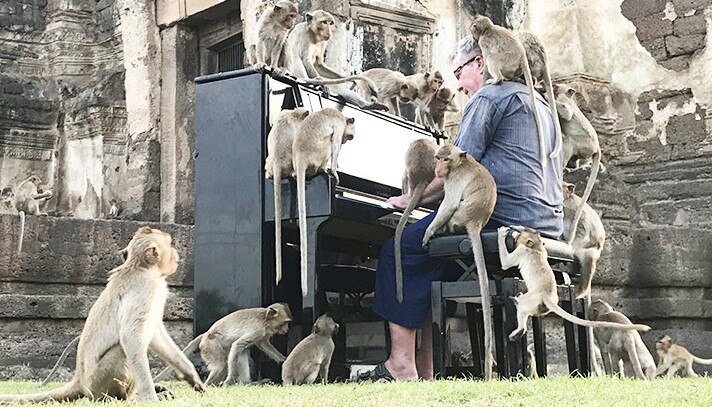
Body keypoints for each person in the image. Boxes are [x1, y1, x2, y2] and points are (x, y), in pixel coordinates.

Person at [357, 36, 564, 381]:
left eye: (459, 72)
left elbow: (455, 168)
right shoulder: (542, 104)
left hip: (501, 218)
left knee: (400, 247)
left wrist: (411, 199)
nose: (457, 85)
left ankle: (400, 364)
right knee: (431, 260)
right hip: (547, 223)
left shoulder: (490, 96)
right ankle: (427, 366)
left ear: (480, 64)